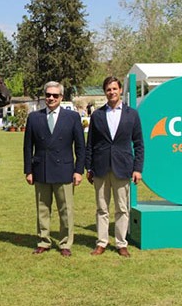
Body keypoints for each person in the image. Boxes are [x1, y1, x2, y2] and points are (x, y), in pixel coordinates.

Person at [23, 81, 85, 257]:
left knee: (66, 210)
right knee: (43, 209)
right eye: (48, 95)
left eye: (55, 95)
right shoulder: (34, 117)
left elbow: (80, 147)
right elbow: (28, 147)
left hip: (64, 170)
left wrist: (79, 171)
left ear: (61, 97)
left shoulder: (72, 117)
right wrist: (28, 170)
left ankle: (65, 243)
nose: (51, 98)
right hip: (41, 169)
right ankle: (43, 241)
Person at [85, 76, 144, 258]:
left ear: (120, 91)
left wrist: (137, 169)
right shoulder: (97, 115)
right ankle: (102, 242)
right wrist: (89, 167)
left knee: (122, 208)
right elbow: (90, 144)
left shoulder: (132, 114)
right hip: (101, 168)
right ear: (105, 92)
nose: (111, 92)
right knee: (102, 209)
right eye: (108, 89)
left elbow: (139, 143)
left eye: (114, 89)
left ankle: (121, 243)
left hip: (123, 167)